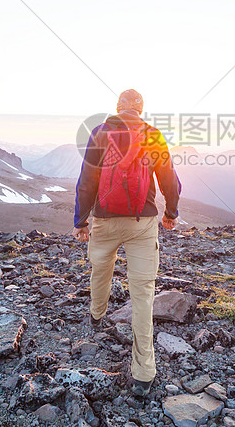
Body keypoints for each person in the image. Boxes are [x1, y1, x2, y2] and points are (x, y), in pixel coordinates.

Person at [73, 89, 181, 398]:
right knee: (143, 295)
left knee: (100, 270)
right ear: (141, 110)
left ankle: (97, 314)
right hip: (142, 224)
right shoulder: (153, 135)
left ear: (118, 108)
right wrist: (170, 212)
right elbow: (168, 178)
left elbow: (87, 180)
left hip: (104, 221)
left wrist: (81, 220)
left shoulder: (101, 131)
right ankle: (143, 373)